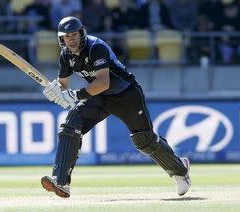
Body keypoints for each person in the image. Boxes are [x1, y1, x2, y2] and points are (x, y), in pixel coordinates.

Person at [40, 16, 191, 198]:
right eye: (66, 36)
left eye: (74, 35)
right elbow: (63, 83)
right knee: (69, 128)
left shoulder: (96, 47)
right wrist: (55, 89)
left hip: (126, 94)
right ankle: (61, 182)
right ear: (61, 39)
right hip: (98, 96)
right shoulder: (65, 54)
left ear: (81, 34)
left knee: (144, 141)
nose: (71, 39)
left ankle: (180, 170)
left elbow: (103, 82)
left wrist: (75, 95)